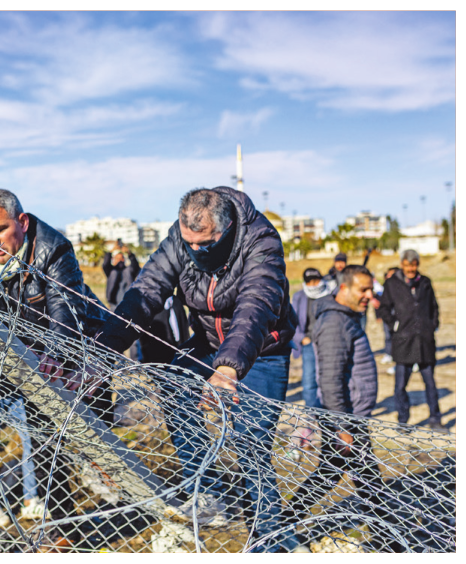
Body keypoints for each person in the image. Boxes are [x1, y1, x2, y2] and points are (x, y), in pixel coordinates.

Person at [93, 186, 301, 552]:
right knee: (173, 384)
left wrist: (228, 370)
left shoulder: (261, 241)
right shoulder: (180, 238)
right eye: (188, 242)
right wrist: (101, 349)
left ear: (227, 228)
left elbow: (255, 306)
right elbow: (148, 289)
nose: (194, 251)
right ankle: (208, 492)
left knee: (251, 442)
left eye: (204, 244)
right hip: (206, 342)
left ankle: (270, 535)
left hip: (262, 348)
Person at [0, 188, 109, 539]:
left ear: (21, 221)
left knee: (68, 447)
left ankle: (68, 523)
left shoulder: (53, 249)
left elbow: (65, 310)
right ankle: (59, 530)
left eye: (0, 230)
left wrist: (58, 352)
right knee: (33, 444)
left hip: (63, 357)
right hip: (15, 362)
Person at [282, 265, 387, 545]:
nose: (368, 295)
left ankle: (282, 523)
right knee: (363, 478)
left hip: (348, 419)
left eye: (370, 289)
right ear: (343, 289)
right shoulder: (335, 324)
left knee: (335, 475)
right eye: (362, 289)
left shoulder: (345, 318)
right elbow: (329, 379)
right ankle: (388, 538)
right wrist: (342, 428)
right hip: (344, 420)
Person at [377, 250, 445, 432]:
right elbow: (383, 308)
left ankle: (435, 419)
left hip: (424, 341)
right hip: (404, 342)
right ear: (402, 265)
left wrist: (432, 325)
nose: (411, 269)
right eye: (407, 265)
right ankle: (403, 421)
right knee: (400, 386)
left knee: (430, 383)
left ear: (417, 264)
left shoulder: (425, 282)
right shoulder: (392, 283)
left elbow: (434, 307)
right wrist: (395, 326)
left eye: (414, 265)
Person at [286, 268, 331, 461]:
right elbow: (292, 321)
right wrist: (301, 338)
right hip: (308, 345)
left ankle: (324, 422)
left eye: (317, 280)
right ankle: (309, 424)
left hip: (327, 344)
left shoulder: (329, 295)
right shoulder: (299, 297)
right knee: (309, 382)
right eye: (310, 281)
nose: (314, 284)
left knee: (327, 381)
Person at [102, 241, 140, 310]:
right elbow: (105, 264)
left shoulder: (129, 270)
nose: (120, 260)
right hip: (114, 305)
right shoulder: (111, 271)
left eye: (121, 258)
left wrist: (129, 253)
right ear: (113, 260)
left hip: (128, 304)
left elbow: (135, 266)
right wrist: (111, 251)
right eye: (117, 258)